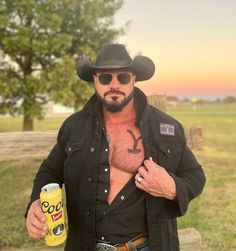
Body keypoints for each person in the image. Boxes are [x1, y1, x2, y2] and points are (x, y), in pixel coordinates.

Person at [25, 44, 206, 251]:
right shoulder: (73, 126)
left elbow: (195, 175)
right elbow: (50, 171)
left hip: (147, 245)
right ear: (95, 80)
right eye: (105, 78)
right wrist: (36, 202)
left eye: (122, 77)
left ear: (134, 79)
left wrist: (172, 188)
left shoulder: (165, 127)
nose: (114, 84)